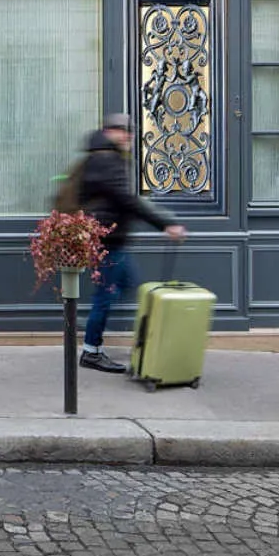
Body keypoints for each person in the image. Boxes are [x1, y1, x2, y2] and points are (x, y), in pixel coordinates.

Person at [75, 113, 187, 373]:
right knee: (107, 294)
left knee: (123, 285)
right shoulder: (107, 159)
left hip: (110, 238)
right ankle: (91, 349)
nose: (128, 135)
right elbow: (128, 200)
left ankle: (93, 324)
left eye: (130, 131)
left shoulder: (102, 157)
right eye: (122, 130)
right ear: (108, 131)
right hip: (108, 240)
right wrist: (165, 224)